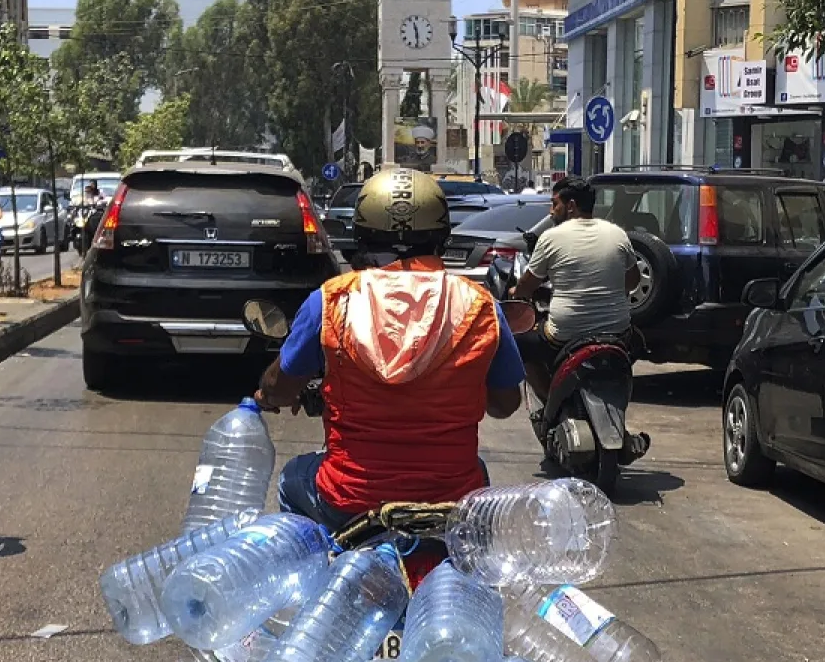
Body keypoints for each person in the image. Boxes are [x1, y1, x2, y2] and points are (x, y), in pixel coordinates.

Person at [254, 168, 525, 531]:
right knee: (479, 480)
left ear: (362, 234)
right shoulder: (480, 306)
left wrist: (267, 392)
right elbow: (505, 404)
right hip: (451, 503)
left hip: (348, 501)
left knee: (291, 478)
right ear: (441, 235)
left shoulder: (331, 300)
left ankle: (315, 565)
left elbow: (281, 388)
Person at [510, 176, 640, 402]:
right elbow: (633, 282)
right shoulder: (617, 233)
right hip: (617, 332)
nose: (551, 211)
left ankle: (549, 403)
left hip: (565, 334)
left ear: (571, 206)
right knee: (637, 340)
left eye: (555, 204)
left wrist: (516, 293)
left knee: (520, 346)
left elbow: (526, 287)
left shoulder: (550, 237)